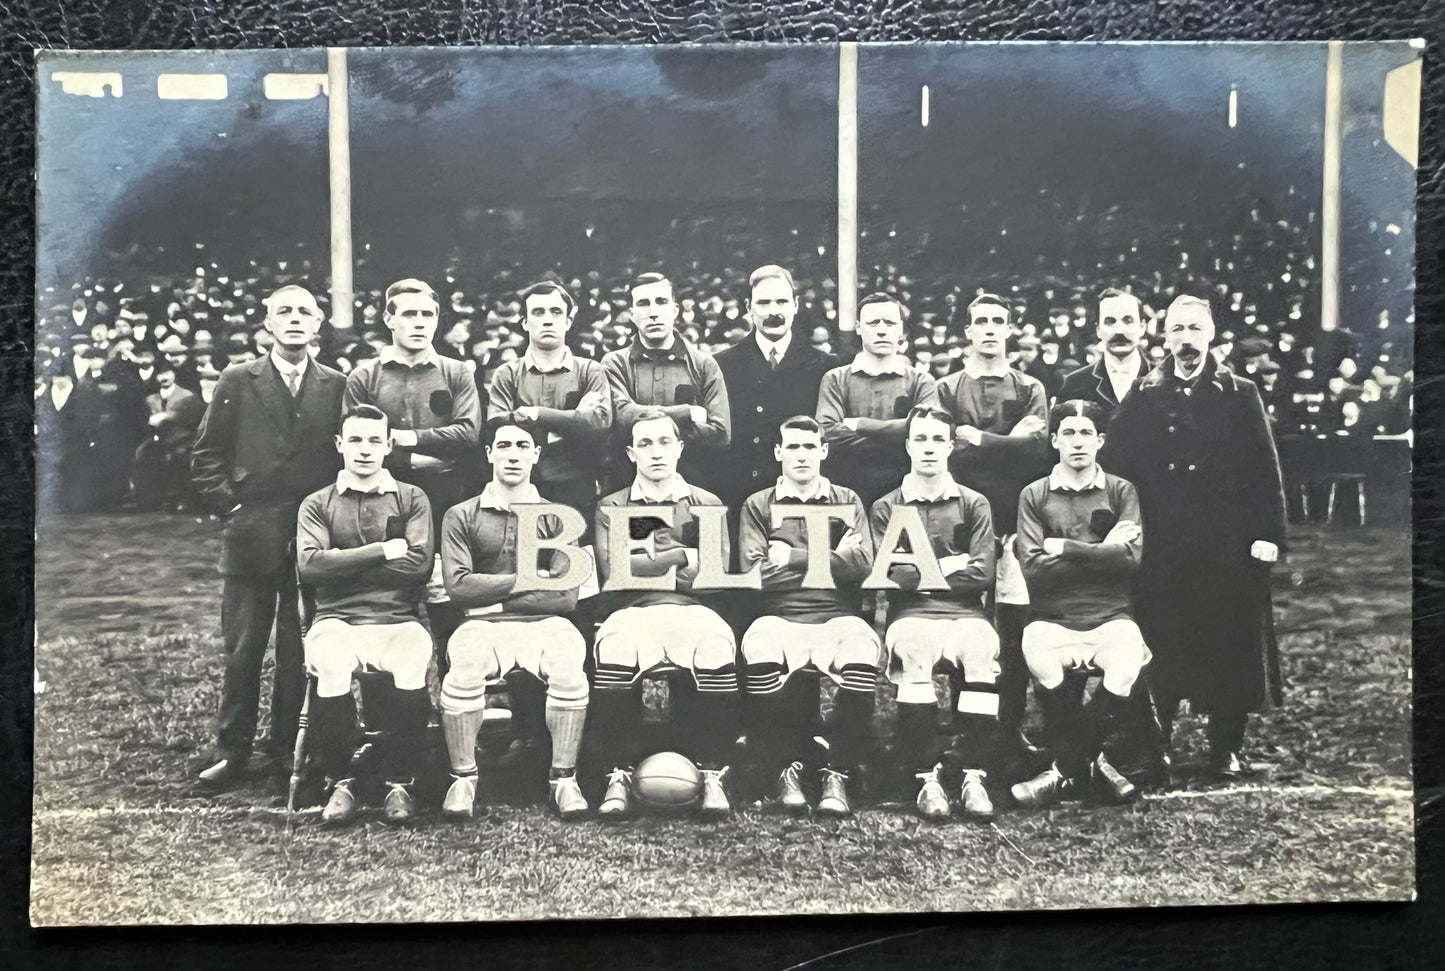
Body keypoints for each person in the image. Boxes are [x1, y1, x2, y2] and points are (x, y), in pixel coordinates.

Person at [1107, 293, 1287, 778]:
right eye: (1177, 330)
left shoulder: (1240, 391)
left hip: (1228, 543)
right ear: (1165, 338)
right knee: (1163, 639)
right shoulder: (1145, 393)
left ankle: (1224, 748)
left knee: (1231, 642)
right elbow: (1117, 466)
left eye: (1195, 330)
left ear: (1212, 335)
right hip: (1164, 543)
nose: (1186, 341)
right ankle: (1156, 744)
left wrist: (1268, 531)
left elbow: (1264, 467)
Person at [190, 284, 346, 789]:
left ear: (317, 325)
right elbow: (206, 454)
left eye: (305, 312)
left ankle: (283, 750)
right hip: (251, 535)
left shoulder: (336, 383)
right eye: (285, 311)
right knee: (243, 649)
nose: (295, 319)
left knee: (298, 650)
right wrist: (232, 506)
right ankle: (231, 751)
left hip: (310, 538)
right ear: (268, 325)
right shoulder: (238, 378)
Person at [436, 417, 591, 821]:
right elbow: (459, 588)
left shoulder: (559, 516)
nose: (513, 454)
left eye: (523, 446)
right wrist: (530, 580)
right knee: (463, 668)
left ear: (537, 455)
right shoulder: (460, 514)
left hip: (537, 624)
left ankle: (564, 779)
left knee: (569, 666)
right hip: (479, 627)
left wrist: (494, 601)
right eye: (503, 446)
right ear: (488, 453)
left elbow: (566, 595)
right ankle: (463, 778)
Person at [590, 409, 739, 820]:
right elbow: (615, 574)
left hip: (695, 609)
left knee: (713, 644)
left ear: (680, 448)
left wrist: (645, 558)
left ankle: (712, 771)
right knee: (617, 646)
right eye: (645, 444)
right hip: (632, 610)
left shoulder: (706, 502)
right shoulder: (612, 505)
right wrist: (685, 556)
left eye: (664, 442)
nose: (656, 453)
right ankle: (616, 772)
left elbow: (712, 578)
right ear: (630, 453)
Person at [295, 405, 435, 826]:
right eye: (355, 439)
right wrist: (381, 550)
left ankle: (399, 781)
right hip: (336, 620)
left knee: (412, 659)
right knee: (332, 663)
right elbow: (311, 567)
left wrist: (341, 564)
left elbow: (419, 566)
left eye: (375, 440)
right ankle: (340, 781)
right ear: (339, 445)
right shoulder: (317, 503)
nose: (365, 449)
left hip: (398, 619)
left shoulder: (412, 497)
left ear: (389, 445)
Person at [737, 416, 876, 816]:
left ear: (824, 451)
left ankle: (839, 771)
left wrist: (792, 556)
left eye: (809, 446)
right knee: (760, 643)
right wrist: (835, 558)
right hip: (778, 614)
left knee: (863, 647)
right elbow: (756, 574)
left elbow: (863, 565)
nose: (802, 455)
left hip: (836, 614)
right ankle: (783, 767)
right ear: (778, 453)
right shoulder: (758, 503)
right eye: (793, 447)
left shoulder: (846, 499)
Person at [1011, 400, 1147, 808]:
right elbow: (1035, 570)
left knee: (1126, 662)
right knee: (1038, 656)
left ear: (1100, 440)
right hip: (1052, 617)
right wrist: (1101, 550)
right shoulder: (1034, 494)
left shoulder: (1122, 490)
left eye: (1086, 432)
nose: (1077, 442)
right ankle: (1096, 765)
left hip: (1111, 616)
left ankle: (1062, 769)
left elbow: (1129, 562)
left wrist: (1066, 547)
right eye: (1068, 432)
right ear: (1054, 440)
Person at [934, 292, 1051, 767]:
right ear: (967, 331)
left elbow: (1038, 451)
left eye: (997, 321)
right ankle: (969, 724)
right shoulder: (946, 389)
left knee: (1013, 624)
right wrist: (1009, 442)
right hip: (963, 523)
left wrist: (980, 438)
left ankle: (1010, 725)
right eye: (979, 321)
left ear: (1010, 330)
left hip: (1017, 523)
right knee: (967, 621)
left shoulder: (1030, 387)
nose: (988, 328)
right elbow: (947, 450)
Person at [872, 408, 999, 822]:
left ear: (950, 446)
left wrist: (922, 572)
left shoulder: (974, 502)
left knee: (980, 650)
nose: (929, 448)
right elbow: (888, 576)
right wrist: (947, 566)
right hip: (911, 614)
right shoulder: (885, 505)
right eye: (920, 440)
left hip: (966, 613)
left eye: (937, 440)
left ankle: (973, 773)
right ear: (908, 446)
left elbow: (981, 573)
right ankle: (924, 776)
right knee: (915, 651)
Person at [343, 278, 483, 657]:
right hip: (384, 502)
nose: (419, 322)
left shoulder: (456, 372)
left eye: (427, 314)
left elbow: (469, 433)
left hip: (443, 502)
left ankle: (458, 701)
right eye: (408, 314)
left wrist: (406, 438)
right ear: (390, 319)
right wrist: (418, 456)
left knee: (448, 607)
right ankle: (397, 708)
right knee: (387, 606)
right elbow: (357, 444)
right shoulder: (364, 377)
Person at [709, 265, 837, 511]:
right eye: (764, 303)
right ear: (749, 307)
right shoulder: (721, 365)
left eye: (781, 302)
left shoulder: (825, 366)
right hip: (739, 497)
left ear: (795, 305)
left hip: (802, 499)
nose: (774, 312)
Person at [486, 281, 612, 528]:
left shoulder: (591, 370)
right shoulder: (507, 373)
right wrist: (572, 422)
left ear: (568, 321)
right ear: (524, 322)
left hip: (577, 488)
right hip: (521, 489)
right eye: (538, 312)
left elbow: (599, 424)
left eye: (556, 312)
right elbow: (497, 429)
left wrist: (534, 414)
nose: (547, 320)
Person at [601, 272, 731, 490]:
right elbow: (620, 418)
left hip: (692, 490)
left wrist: (642, 421)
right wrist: (687, 413)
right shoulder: (614, 364)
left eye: (661, 302)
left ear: (674, 310)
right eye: (643, 304)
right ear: (632, 314)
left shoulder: (704, 365)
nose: (653, 313)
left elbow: (720, 433)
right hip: (627, 490)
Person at [815, 292, 937, 505]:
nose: (882, 330)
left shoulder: (921, 381)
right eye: (873, 323)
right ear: (859, 328)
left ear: (900, 328)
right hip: (847, 491)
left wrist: (859, 424)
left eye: (889, 323)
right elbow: (829, 435)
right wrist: (899, 435)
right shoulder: (835, 379)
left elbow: (927, 432)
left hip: (906, 493)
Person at [1057, 288, 1150, 414]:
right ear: (1098, 330)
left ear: (1142, 327)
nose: (1119, 331)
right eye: (1110, 322)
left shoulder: (1165, 379)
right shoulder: (1075, 384)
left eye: (1128, 321)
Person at [130, 361, 205, 511]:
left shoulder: (186, 396)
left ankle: (179, 497)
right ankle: (150, 498)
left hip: (181, 438)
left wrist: (167, 418)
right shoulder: (151, 398)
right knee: (143, 454)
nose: (164, 377)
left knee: (178, 457)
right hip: (157, 438)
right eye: (160, 374)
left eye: (167, 373)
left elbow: (189, 420)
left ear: (174, 374)